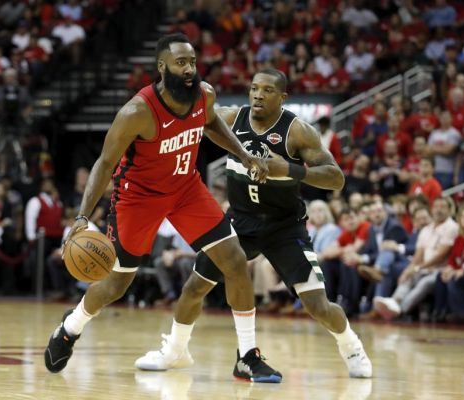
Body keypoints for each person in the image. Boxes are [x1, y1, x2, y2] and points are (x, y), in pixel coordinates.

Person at [43, 34, 280, 383]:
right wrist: (81, 217)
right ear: (162, 66)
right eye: (181, 63)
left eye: (193, 62)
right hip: (138, 198)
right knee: (116, 285)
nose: (189, 69)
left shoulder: (205, 94)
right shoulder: (137, 112)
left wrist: (243, 155)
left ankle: (246, 355)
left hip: (186, 189)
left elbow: (212, 123)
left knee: (234, 259)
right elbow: (104, 164)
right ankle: (70, 326)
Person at [135, 69, 372, 378]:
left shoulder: (298, 131)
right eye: (254, 88)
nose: (258, 94)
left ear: (282, 98)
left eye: (267, 90)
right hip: (239, 221)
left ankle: (350, 345)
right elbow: (194, 116)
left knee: (317, 304)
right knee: (195, 287)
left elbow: (336, 178)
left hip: (284, 226)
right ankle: (175, 350)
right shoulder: (232, 118)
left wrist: (288, 169)